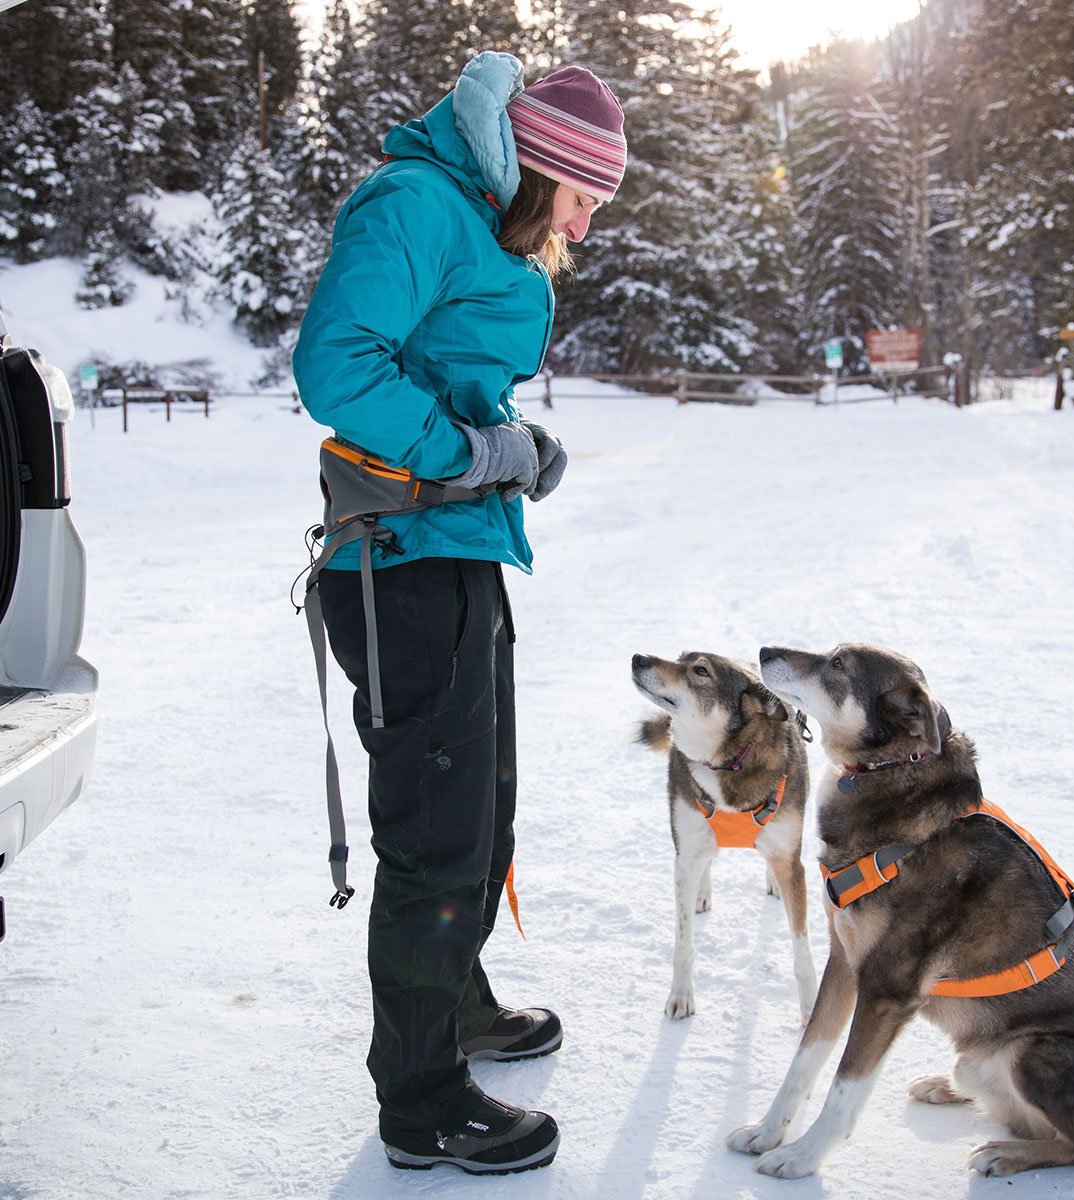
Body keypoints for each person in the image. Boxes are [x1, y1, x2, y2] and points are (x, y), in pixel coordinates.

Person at [291, 52, 626, 1176]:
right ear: (536, 167)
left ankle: (460, 1001)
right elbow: (338, 364)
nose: (586, 220)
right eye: (582, 195)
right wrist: (472, 451)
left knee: (483, 817)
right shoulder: (417, 203)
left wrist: (513, 446)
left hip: (459, 552)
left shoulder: (479, 223)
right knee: (435, 842)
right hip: (396, 564)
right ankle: (422, 1097)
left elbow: (450, 374)